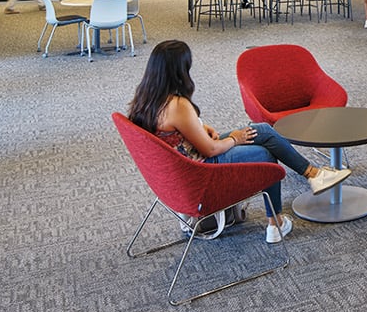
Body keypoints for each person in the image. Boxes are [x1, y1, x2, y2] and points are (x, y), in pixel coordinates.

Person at [126, 40, 350, 242]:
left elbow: (175, 132)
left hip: (185, 162)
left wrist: (201, 127)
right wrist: (235, 138)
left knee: (262, 130)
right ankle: (276, 224)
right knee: (265, 156)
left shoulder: (146, 99)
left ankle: (314, 175)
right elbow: (211, 150)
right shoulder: (177, 105)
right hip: (201, 169)